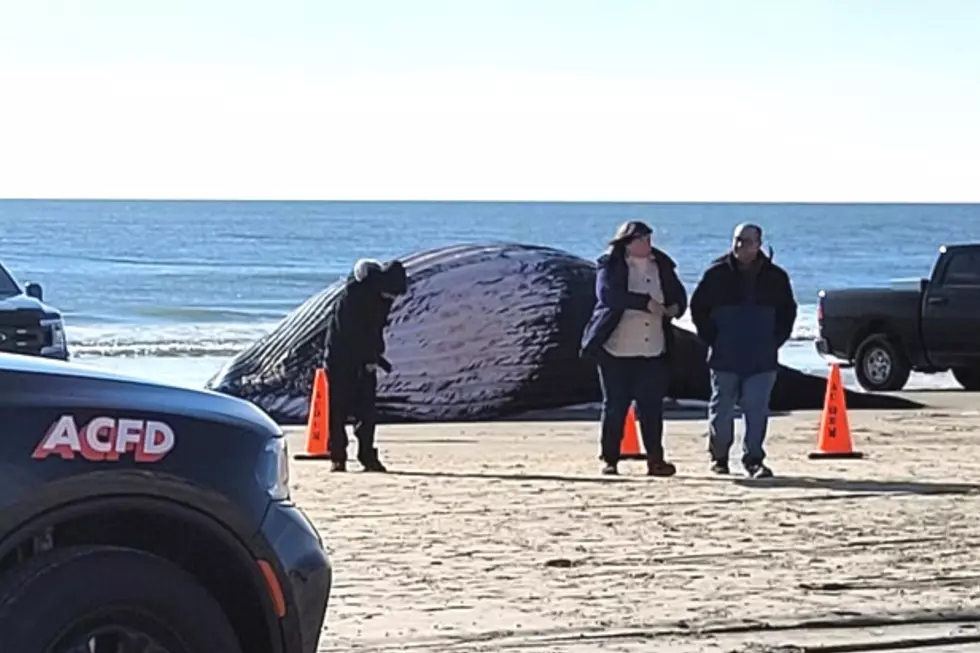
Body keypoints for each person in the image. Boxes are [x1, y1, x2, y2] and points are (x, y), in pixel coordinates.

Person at [689, 223, 797, 478]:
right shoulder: (716, 274)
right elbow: (698, 309)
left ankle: (754, 460)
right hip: (725, 355)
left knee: (757, 410)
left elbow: (787, 313)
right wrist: (712, 338)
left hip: (762, 357)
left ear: (758, 244)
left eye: (746, 241)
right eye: (737, 240)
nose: (740, 245)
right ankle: (719, 458)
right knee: (722, 409)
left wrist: (774, 341)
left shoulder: (775, 277)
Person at [580, 220, 688, 476]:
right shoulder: (610, 264)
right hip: (617, 347)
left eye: (649, 239)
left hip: (654, 347)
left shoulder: (661, 263)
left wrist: (676, 307)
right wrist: (644, 303)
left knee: (651, 407)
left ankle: (655, 459)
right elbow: (608, 295)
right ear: (627, 242)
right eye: (642, 239)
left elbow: (678, 293)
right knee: (615, 406)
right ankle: (610, 458)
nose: (647, 244)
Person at [323, 257, 408, 473]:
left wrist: (375, 357)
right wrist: (370, 358)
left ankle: (367, 456)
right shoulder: (351, 299)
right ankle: (338, 457)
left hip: (365, 358)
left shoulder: (380, 298)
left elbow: (374, 332)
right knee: (338, 410)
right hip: (340, 358)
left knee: (367, 411)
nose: (392, 299)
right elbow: (349, 334)